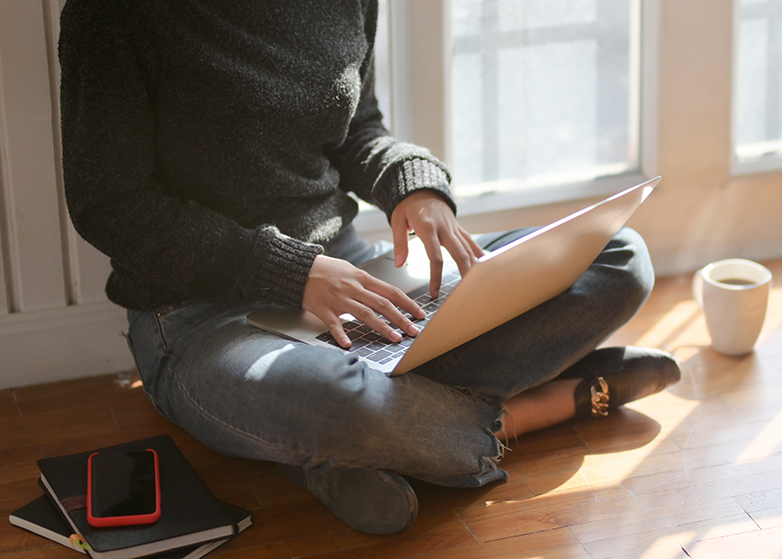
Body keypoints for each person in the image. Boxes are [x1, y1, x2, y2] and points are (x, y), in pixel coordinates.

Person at [59, 0, 680, 535]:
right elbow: (111, 206)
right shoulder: (114, 13)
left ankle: (359, 445)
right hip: (201, 316)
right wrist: (291, 271)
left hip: (353, 275)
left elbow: (358, 128)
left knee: (618, 258)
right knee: (334, 402)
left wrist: (415, 187)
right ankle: (535, 409)